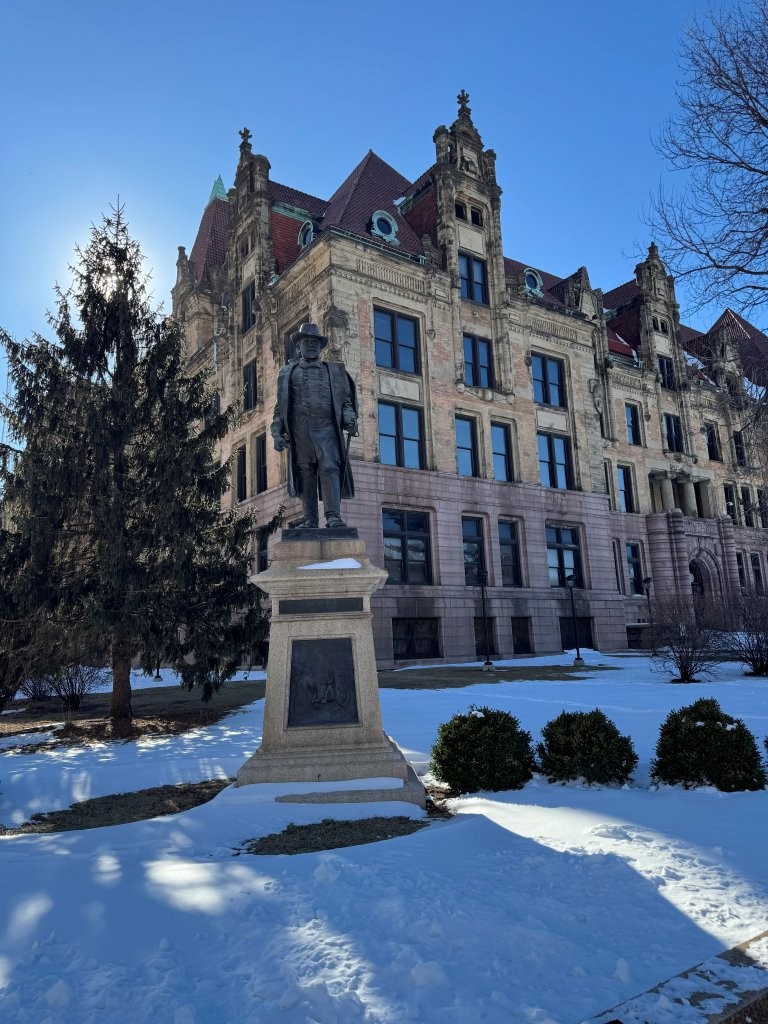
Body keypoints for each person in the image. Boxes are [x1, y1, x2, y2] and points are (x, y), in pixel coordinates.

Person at [270, 323, 357, 528]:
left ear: (321, 347)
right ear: (298, 347)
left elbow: (346, 403)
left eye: (315, 342)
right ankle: (309, 518)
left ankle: (333, 516)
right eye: (306, 342)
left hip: (327, 428)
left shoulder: (335, 371)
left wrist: (349, 418)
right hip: (299, 431)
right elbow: (280, 408)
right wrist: (276, 433)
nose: (311, 346)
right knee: (305, 472)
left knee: (329, 468)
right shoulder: (286, 373)